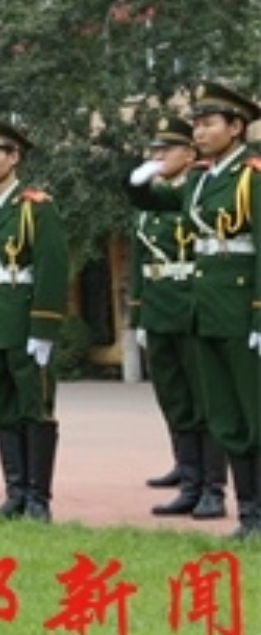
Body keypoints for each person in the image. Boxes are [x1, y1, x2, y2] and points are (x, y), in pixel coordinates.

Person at [127, 82, 261, 540]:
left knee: (253, 412)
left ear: (236, 127)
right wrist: (143, 175)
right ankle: (249, 515)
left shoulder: (251, 178)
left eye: (208, 123)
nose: (199, 132)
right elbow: (155, 201)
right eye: (197, 124)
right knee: (225, 415)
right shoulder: (201, 180)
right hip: (204, 313)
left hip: (240, 311)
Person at [0, 119, 69, 522]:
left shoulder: (36, 208)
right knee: (1, 406)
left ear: (14, 157)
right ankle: (16, 491)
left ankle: (39, 497)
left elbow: (51, 269)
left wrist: (44, 327)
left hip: (24, 321)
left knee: (34, 407)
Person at [127, 116, 226, 520]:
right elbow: (139, 262)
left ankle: (212, 488)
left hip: (192, 304)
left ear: (189, 154)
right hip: (159, 307)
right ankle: (189, 480)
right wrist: (138, 316)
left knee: (204, 400)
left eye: (167, 150)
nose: (159, 156)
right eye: (155, 150)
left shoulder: (197, 191)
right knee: (175, 398)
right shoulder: (151, 202)